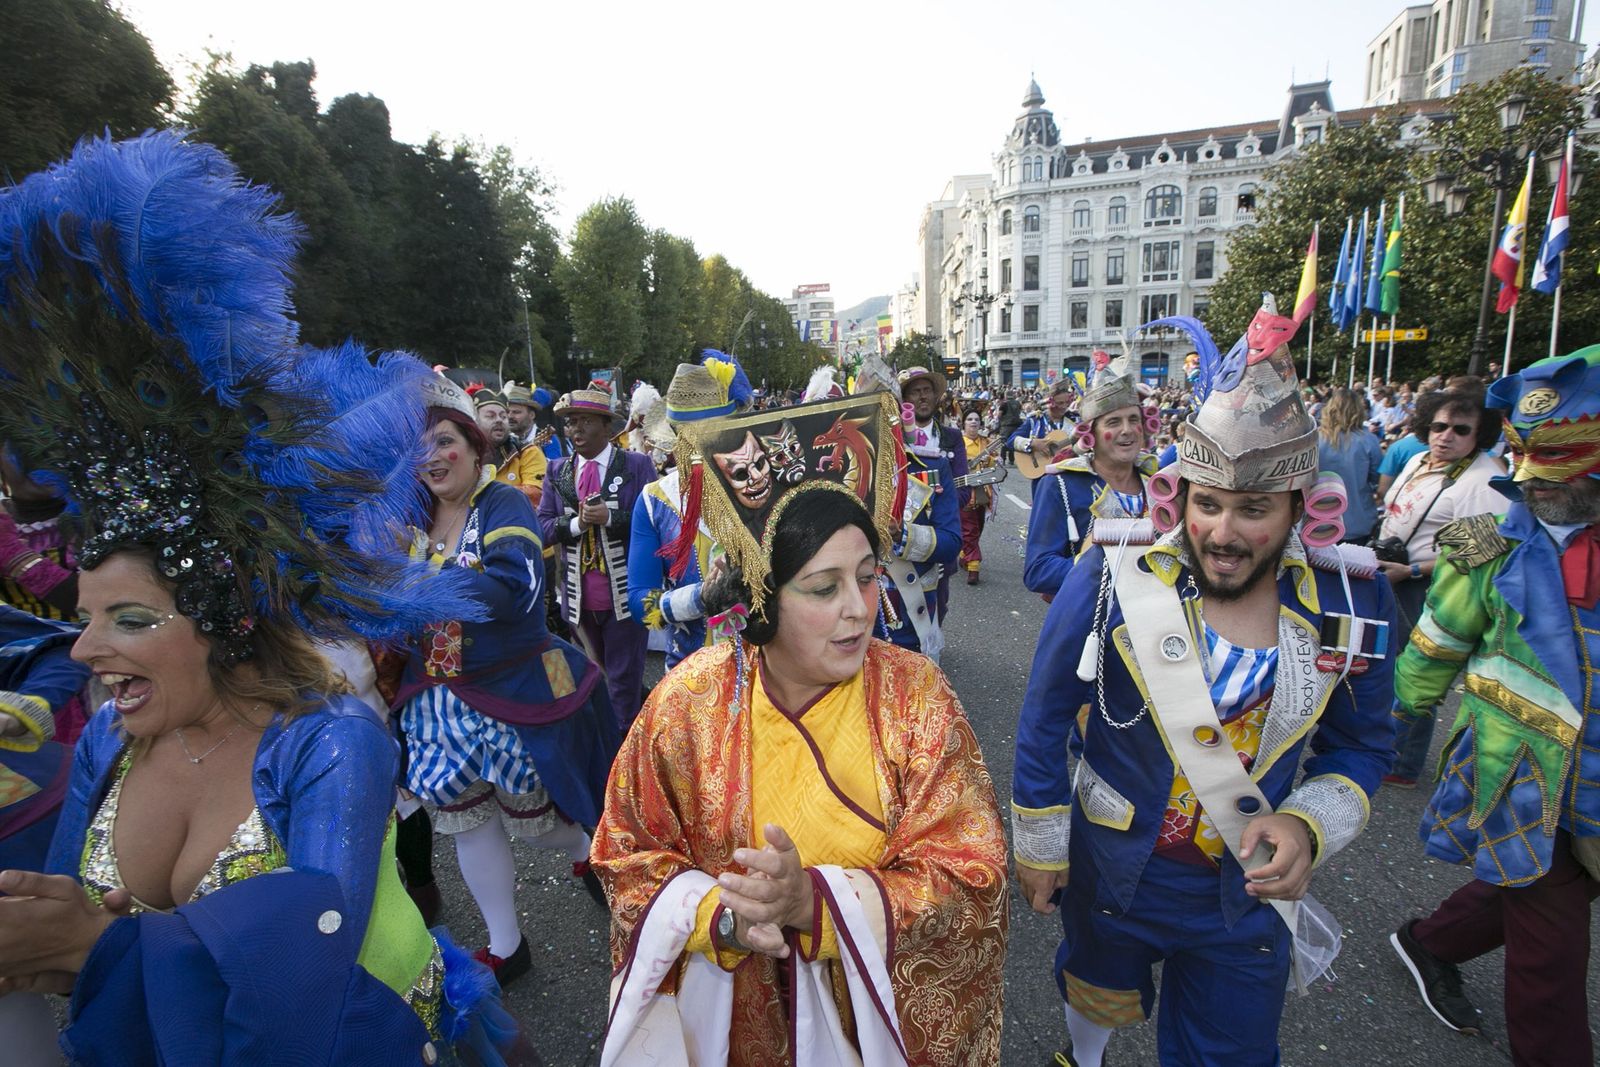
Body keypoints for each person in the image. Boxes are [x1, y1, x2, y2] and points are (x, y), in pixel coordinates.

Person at [0, 132, 516, 1061]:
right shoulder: (109, 741)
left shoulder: (329, 742)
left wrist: (105, 949)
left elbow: (305, 982)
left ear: (220, 614)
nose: (81, 651)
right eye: (83, 621)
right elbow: (58, 933)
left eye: (128, 619)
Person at [1012, 296, 1397, 1067]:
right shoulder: (1113, 575)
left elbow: (1364, 743)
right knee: (1096, 987)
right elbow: (1045, 712)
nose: (1223, 532)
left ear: (1299, 508)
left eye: (1253, 509)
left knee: (1231, 1050)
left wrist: (1306, 827)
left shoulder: (1352, 597)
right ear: (1180, 497)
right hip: (1118, 865)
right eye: (1209, 504)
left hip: (1247, 892)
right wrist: (1042, 843)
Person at [593, 390, 1008, 1065]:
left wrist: (815, 902)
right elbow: (625, 850)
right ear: (762, 596)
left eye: (869, 576)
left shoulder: (915, 694)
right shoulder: (688, 701)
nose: (858, 609)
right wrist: (721, 916)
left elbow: (971, 874)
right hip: (736, 1026)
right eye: (823, 587)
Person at [1388, 346, 1600, 1066]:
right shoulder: (1481, 532)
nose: (1538, 482)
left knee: (1554, 883)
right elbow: (1438, 634)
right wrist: (1403, 707)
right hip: (1521, 769)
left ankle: (1430, 939)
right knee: (1552, 937)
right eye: (1526, 456)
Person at [392, 377, 620, 985]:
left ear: (472, 445)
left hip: (512, 688)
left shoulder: (503, 504)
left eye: (444, 440)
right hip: (436, 695)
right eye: (419, 448)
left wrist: (419, 568)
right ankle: (506, 944)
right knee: (467, 821)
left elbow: (511, 592)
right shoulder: (408, 513)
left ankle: (586, 855)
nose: (433, 457)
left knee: (541, 824)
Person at [1376, 388, 1507, 787]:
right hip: (1392, 573)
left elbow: (1480, 555)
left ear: (1478, 434)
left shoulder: (1485, 480)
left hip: (1430, 587)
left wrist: (1413, 570)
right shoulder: (1418, 459)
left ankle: (1402, 763)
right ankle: (1385, 748)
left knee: (1420, 672)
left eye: (1460, 429)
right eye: (1438, 425)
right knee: (1389, 667)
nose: (1445, 436)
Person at [537, 388, 657, 729]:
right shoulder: (556, 470)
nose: (575, 430)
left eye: (585, 421)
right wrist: (578, 522)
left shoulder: (637, 465)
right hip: (576, 599)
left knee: (623, 679)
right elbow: (542, 527)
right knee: (590, 674)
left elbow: (658, 521)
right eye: (571, 422)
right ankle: (603, 735)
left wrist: (611, 519)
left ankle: (623, 751)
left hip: (625, 596)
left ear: (607, 428)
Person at [627, 360, 749, 669]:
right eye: (687, 436)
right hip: (690, 675)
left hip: (771, 673)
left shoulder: (765, 485)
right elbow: (640, 604)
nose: (699, 446)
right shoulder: (655, 501)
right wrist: (700, 597)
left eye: (713, 433)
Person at [1023, 353, 1156, 600]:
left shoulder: (1157, 483)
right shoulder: (1059, 484)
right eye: (1114, 422)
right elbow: (1038, 571)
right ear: (1091, 433)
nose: (1127, 430)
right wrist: (1103, 566)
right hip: (1088, 625)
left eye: (1133, 420)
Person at [0, 449, 77, 623]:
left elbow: (115, 607)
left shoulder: (118, 518)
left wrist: (14, 555)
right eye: (19, 438)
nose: (40, 453)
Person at [1316, 388, 1383, 542]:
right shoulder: (1369, 440)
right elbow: (1377, 480)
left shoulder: (1315, 439)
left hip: (1318, 521)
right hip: (1358, 521)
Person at [476, 384, 549, 507]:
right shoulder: (464, 454)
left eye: (503, 416)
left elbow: (537, 494)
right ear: (474, 420)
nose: (499, 420)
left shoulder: (527, 452)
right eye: (490, 416)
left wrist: (484, 495)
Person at [959, 409, 997, 585]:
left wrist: (992, 461)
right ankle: (974, 566)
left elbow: (993, 466)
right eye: (969, 419)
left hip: (982, 491)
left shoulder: (986, 442)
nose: (973, 422)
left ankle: (963, 553)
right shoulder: (958, 442)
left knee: (977, 527)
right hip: (964, 491)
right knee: (969, 528)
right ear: (963, 423)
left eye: (976, 419)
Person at [1008, 377, 1074, 457]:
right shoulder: (1036, 420)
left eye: (1067, 402)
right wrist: (1032, 443)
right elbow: (1011, 441)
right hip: (1041, 467)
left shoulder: (1074, 420)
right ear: (1049, 403)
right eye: (1060, 403)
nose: (1064, 406)